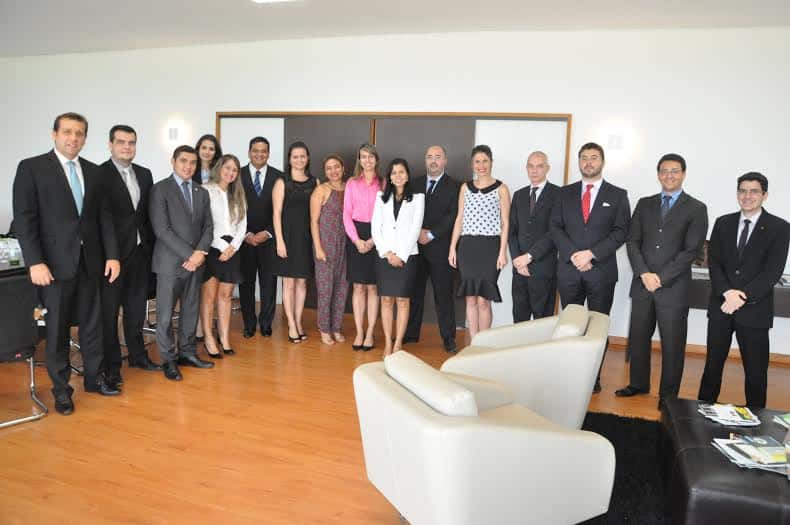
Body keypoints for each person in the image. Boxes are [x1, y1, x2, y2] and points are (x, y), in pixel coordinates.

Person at [12, 112, 121, 415]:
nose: (73, 138)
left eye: (79, 133)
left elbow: (104, 218)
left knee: (93, 325)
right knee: (58, 330)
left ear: (85, 138)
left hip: (91, 264)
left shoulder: (94, 172)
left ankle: (94, 379)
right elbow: (24, 219)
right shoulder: (32, 168)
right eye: (67, 132)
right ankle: (62, 390)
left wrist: (112, 255)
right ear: (55, 134)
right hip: (53, 267)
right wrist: (35, 262)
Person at [615, 154, 708, 409]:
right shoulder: (644, 204)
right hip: (642, 284)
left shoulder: (696, 208)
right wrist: (644, 273)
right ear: (658, 175)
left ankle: (668, 396)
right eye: (664, 171)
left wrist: (661, 278)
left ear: (683, 174)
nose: (669, 175)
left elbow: (691, 251)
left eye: (675, 171)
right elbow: (632, 241)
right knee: (638, 338)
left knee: (672, 345)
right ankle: (638, 383)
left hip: (674, 288)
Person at [698, 172, 789, 408]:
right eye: (742, 190)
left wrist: (741, 296)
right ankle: (701, 415)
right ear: (737, 193)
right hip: (721, 307)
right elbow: (715, 264)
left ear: (765, 195)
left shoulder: (780, 227)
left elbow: (772, 271)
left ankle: (757, 420)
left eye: (754, 191)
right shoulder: (723, 223)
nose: (747, 196)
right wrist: (727, 293)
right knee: (712, 368)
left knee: (756, 374)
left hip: (754, 311)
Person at [550, 142, 630, 394]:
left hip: (601, 272)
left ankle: (593, 376)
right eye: (584, 158)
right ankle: (570, 372)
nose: (588, 162)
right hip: (569, 270)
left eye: (594, 157)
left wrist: (591, 255)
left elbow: (621, 232)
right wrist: (574, 254)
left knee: (597, 326)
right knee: (570, 325)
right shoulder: (564, 193)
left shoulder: (617, 195)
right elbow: (555, 226)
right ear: (579, 162)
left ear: (602, 162)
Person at [99, 124, 160, 390]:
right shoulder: (99, 174)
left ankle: (138, 356)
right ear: (110, 145)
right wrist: (111, 254)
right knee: (110, 313)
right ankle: (112, 367)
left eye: (131, 142)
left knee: (136, 310)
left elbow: (147, 215)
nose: (127, 147)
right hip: (111, 258)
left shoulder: (144, 174)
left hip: (140, 254)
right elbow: (101, 218)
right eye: (121, 142)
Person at [149, 145, 215, 381]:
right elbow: (162, 230)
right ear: (173, 161)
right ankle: (168, 359)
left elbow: (208, 226)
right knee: (165, 315)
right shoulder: (160, 189)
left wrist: (200, 254)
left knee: (190, 310)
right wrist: (191, 255)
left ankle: (187, 353)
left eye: (192, 162)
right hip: (169, 264)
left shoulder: (201, 192)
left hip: (195, 264)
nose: (188, 166)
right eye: (183, 161)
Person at [448, 145, 511, 338]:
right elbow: (459, 219)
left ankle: (483, 342)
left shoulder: (501, 189)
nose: (481, 165)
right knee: (470, 299)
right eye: (477, 161)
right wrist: (452, 248)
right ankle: (474, 341)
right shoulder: (465, 188)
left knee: (484, 300)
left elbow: (505, 223)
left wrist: (502, 252)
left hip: (490, 248)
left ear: (491, 162)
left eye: (485, 161)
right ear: (472, 164)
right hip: (467, 247)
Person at [405, 145, 460, 353]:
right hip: (415, 247)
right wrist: (417, 233)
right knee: (413, 292)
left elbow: (454, 215)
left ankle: (448, 338)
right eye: (429, 157)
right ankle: (410, 333)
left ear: (445, 160)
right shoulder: (414, 183)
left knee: (443, 295)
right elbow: (406, 211)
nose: (433, 161)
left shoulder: (455, 186)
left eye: (438, 157)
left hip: (440, 248)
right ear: (425, 160)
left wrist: (430, 234)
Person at [372, 159, 425, 356]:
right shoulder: (380, 198)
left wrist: (400, 255)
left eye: (401, 172)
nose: (398, 176)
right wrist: (387, 253)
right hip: (385, 256)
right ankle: (388, 342)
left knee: (403, 300)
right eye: (394, 173)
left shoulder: (417, 198)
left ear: (407, 175)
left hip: (407, 256)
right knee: (386, 299)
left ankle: (398, 343)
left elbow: (415, 229)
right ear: (389, 177)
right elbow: (375, 228)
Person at [200, 154, 247, 358]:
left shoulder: (238, 194)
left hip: (232, 250)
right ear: (219, 168)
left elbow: (243, 225)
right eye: (228, 168)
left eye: (235, 170)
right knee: (209, 297)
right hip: (211, 247)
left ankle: (224, 338)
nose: (231, 172)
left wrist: (232, 247)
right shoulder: (206, 190)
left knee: (226, 295)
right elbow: (204, 223)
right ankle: (209, 338)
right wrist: (221, 246)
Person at [239, 137, 283, 338]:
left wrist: (267, 232)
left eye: (263, 151)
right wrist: (246, 234)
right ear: (249, 152)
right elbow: (232, 208)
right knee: (245, 284)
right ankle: (248, 324)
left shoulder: (278, 177)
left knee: (269, 284)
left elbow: (282, 211)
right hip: (244, 240)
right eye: (255, 150)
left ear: (268, 153)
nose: (259, 154)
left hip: (269, 239)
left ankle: (266, 323)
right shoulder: (236, 175)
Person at [273, 141, 317, 343]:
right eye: (295, 156)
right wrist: (279, 241)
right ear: (289, 159)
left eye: (302, 156)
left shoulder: (315, 182)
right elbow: (276, 213)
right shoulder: (282, 182)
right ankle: (291, 324)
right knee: (288, 283)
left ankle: (298, 321)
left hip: (306, 238)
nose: (299, 160)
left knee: (302, 282)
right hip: (287, 238)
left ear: (307, 158)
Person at [508, 151, 560, 322]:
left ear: (547, 168)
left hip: (544, 269)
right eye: (531, 166)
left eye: (539, 166)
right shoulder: (519, 195)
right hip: (519, 270)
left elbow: (554, 232)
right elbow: (512, 231)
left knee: (542, 322)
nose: (534, 170)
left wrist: (529, 257)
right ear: (526, 168)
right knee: (519, 320)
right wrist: (517, 259)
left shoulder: (558, 194)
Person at [343, 143, 383, 351]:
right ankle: (359, 331)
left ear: (376, 159)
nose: (367, 160)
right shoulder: (352, 183)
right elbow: (346, 214)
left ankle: (370, 333)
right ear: (359, 160)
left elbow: (387, 215)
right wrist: (357, 240)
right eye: (363, 157)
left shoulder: (384, 183)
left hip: (378, 236)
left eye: (371, 156)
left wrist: (373, 240)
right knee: (358, 287)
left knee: (373, 287)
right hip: (356, 235)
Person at [310, 155, 349, 345]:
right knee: (326, 289)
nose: (333, 171)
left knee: (342, 289)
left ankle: (336, 327)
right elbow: (313, 221)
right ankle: (324, 329)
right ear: (325, 171)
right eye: (329, 168)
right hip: (325, 244)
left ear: (343, 168)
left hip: (345, 245)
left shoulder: (349, 188)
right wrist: (318, 247)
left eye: (336, 167)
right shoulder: (321, 190)